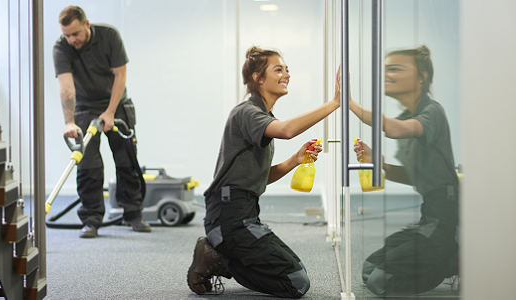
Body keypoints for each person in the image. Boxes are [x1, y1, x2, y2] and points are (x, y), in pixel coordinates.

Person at [187, 46, 340, 298]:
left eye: (287, 69)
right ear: (258, 78)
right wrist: (335, 103)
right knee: (296, 283)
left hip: (244, 214)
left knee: (296, 273)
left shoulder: (262, 115)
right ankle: (217, 258)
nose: (286, 74)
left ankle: (221, 255)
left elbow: (256, 178)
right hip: (228, 218)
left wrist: (294, 160)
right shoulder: (247, 112)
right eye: (278, 69)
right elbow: (287, 130)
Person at [350, 45, 459, 296]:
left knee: (381, 282)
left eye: (395, 69)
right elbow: (417, 176)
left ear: (421, 76)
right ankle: (446, 256)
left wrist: (350, 105)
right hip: (428, 216)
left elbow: (396, 129)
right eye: (385, 69)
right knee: (370, 269)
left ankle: (452, 259)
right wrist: (383, 165)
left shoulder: (432, 112)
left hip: (445, 219)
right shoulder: (410, 115)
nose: (386, 74)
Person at [52, 6, 150, 238]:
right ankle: (92, 219)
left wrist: (110, 112)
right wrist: (69, 121)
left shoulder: (109, 36)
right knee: (88, 166)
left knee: (126, 161)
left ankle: (133, 214)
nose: (71, 39)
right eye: (66, 35)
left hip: (116, 104)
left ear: (86, 24)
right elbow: (66, 87)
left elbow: (120, 76)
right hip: (85, 107)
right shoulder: (61, 47)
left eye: (75, 33)